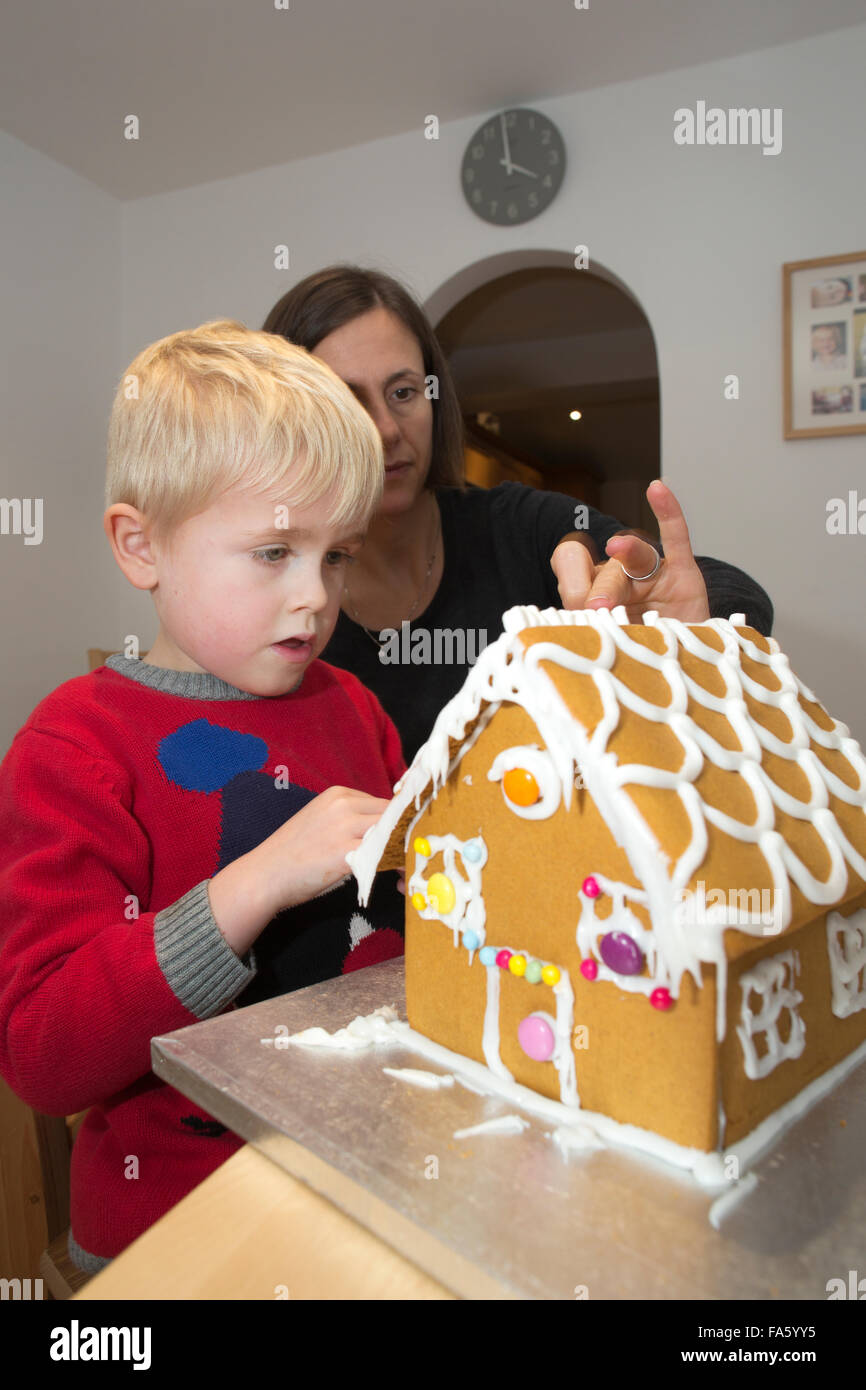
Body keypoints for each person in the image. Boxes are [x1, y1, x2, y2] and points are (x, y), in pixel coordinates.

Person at [0, 321, 406, 1273]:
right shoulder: (75, 744)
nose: (315, 597)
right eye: (273, 553)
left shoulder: (356, 708)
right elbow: (43, 1052)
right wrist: (252, 885)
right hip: (171, 1234)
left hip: (365, 1192)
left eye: (335, 556)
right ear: (142, 547)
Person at [263, 266, 774, 761]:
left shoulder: (516, 525)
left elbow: (727, 592)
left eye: (403, 392)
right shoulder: (263, 582)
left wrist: (687, 629)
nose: (388, 430)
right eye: (348, 403)